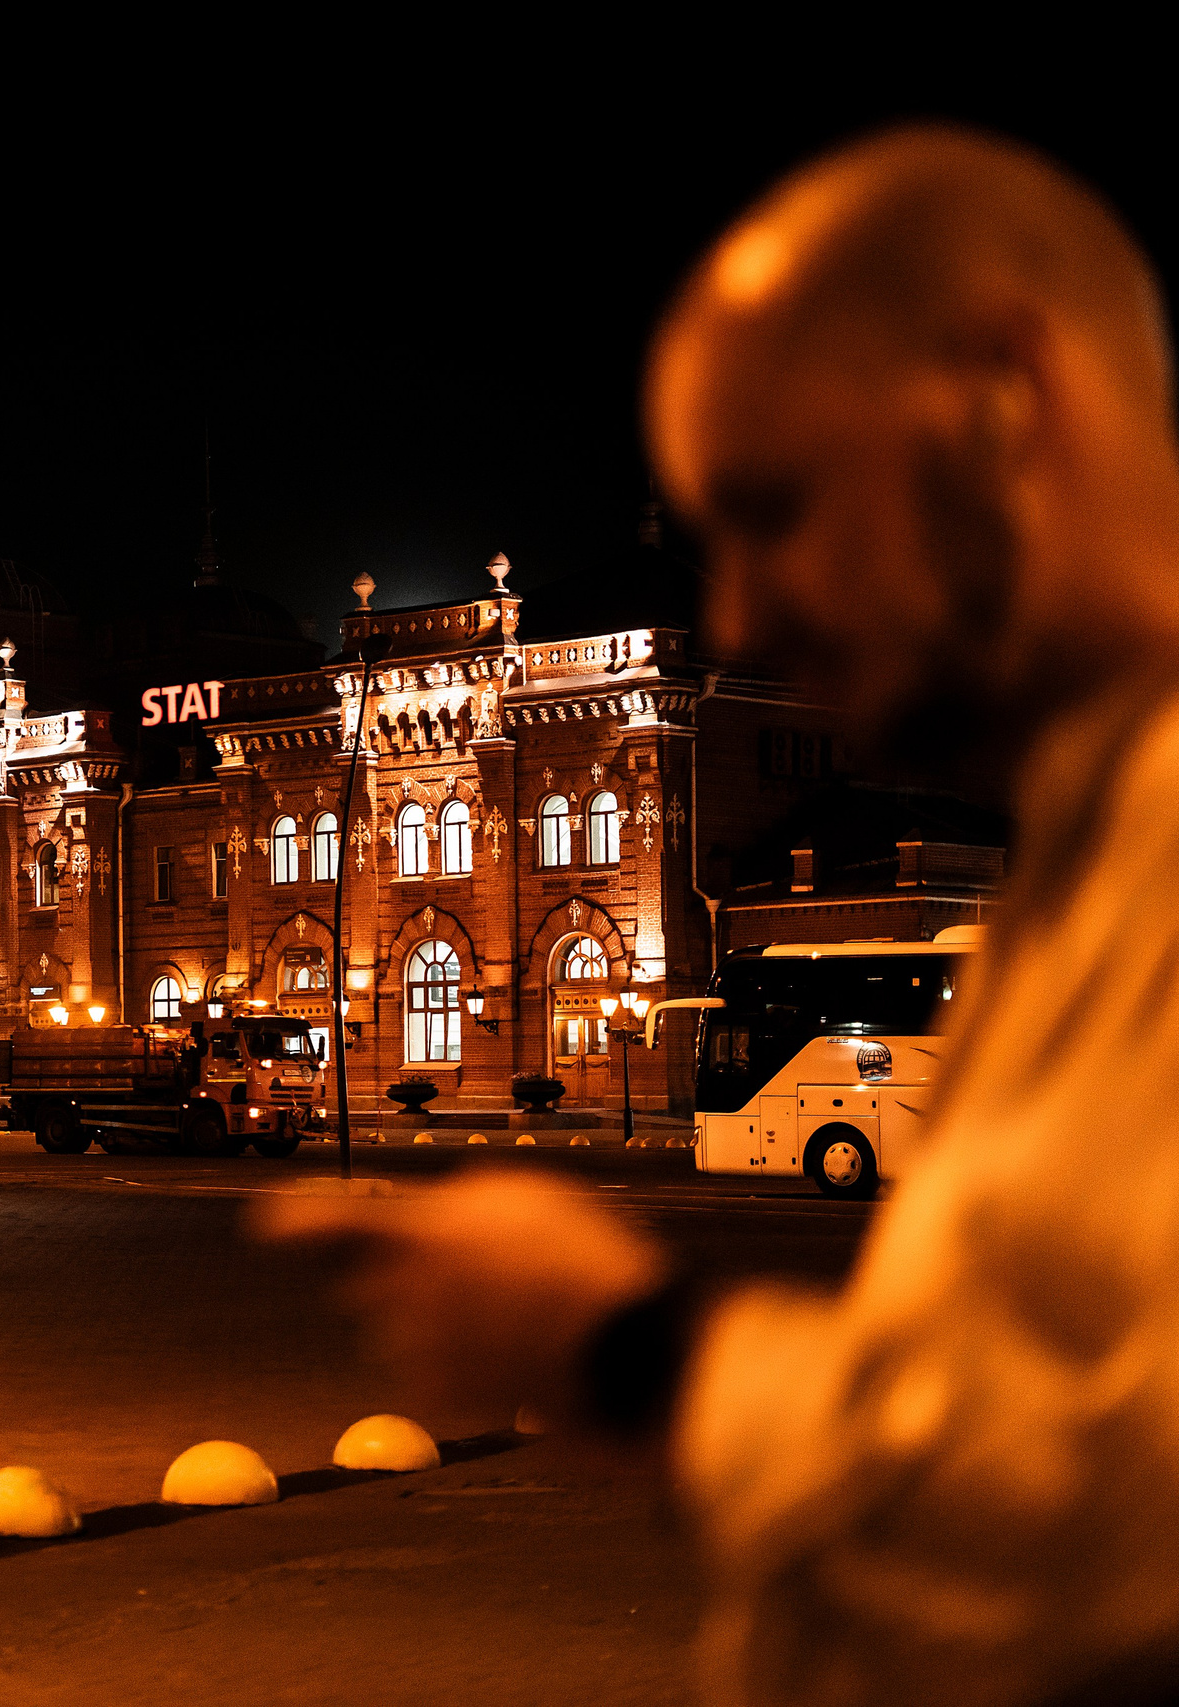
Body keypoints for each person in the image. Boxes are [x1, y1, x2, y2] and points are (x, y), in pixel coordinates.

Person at [265, 126, 1179, 1707]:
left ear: (1006, 398)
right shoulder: (1084, 853)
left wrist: (622, 1348)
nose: (740, 616)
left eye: (775, 507)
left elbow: (1109, 1523)